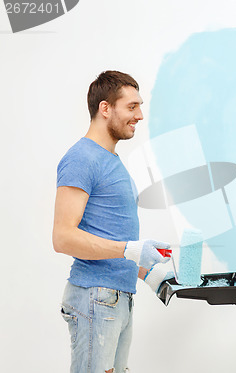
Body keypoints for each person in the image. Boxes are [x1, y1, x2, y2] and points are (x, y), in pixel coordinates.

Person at [53, 70, 172, 373]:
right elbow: (63, 237)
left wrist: (149, 273)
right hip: (96, 298)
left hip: (116, 299)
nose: (140, 115)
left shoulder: (111, 160)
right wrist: (131, 250)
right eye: (132, 107)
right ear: (105, 108)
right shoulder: (82, 158)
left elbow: (112, 235)